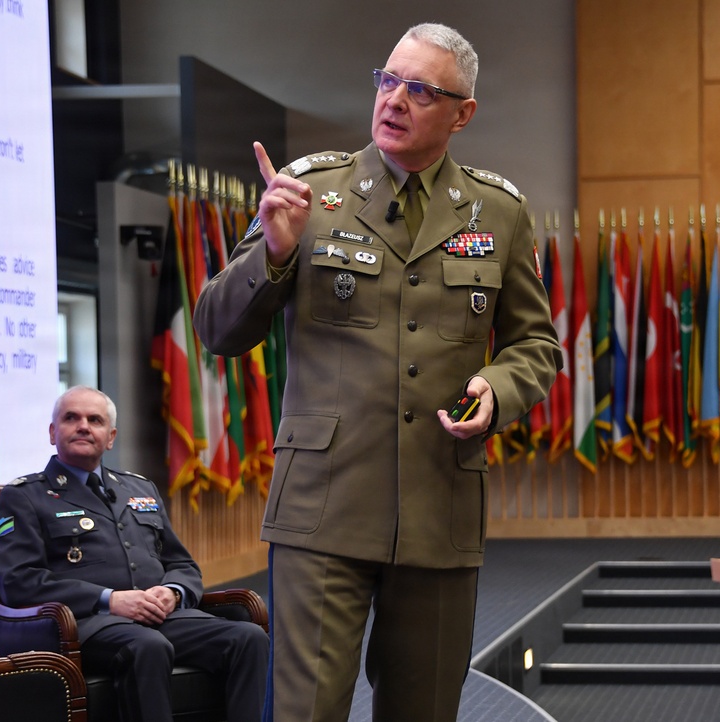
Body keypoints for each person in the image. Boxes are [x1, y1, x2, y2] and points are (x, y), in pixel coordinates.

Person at [192, 22, 562, 722]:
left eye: (420, 89)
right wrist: (272, 254)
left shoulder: (500, 212)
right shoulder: (308, 191)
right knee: (305, 711)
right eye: (387, 81)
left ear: (463, 113)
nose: (394, 100)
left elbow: (536, 345)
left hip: (439, 506)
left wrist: (498, 389)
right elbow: (217, 329)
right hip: (322, 510)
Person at [0, 386, 269, 722]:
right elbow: (20, 582)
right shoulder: (24, 496)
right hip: (86, 624)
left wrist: (173, 592)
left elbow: (182, 564)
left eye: (94, 420)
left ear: (110, 438)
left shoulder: (139, 489)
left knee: (248, 637)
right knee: (147, 646)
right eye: (71, 418)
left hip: (161, 617)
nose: (83, 426)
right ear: (53, 433)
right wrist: (110, 599)